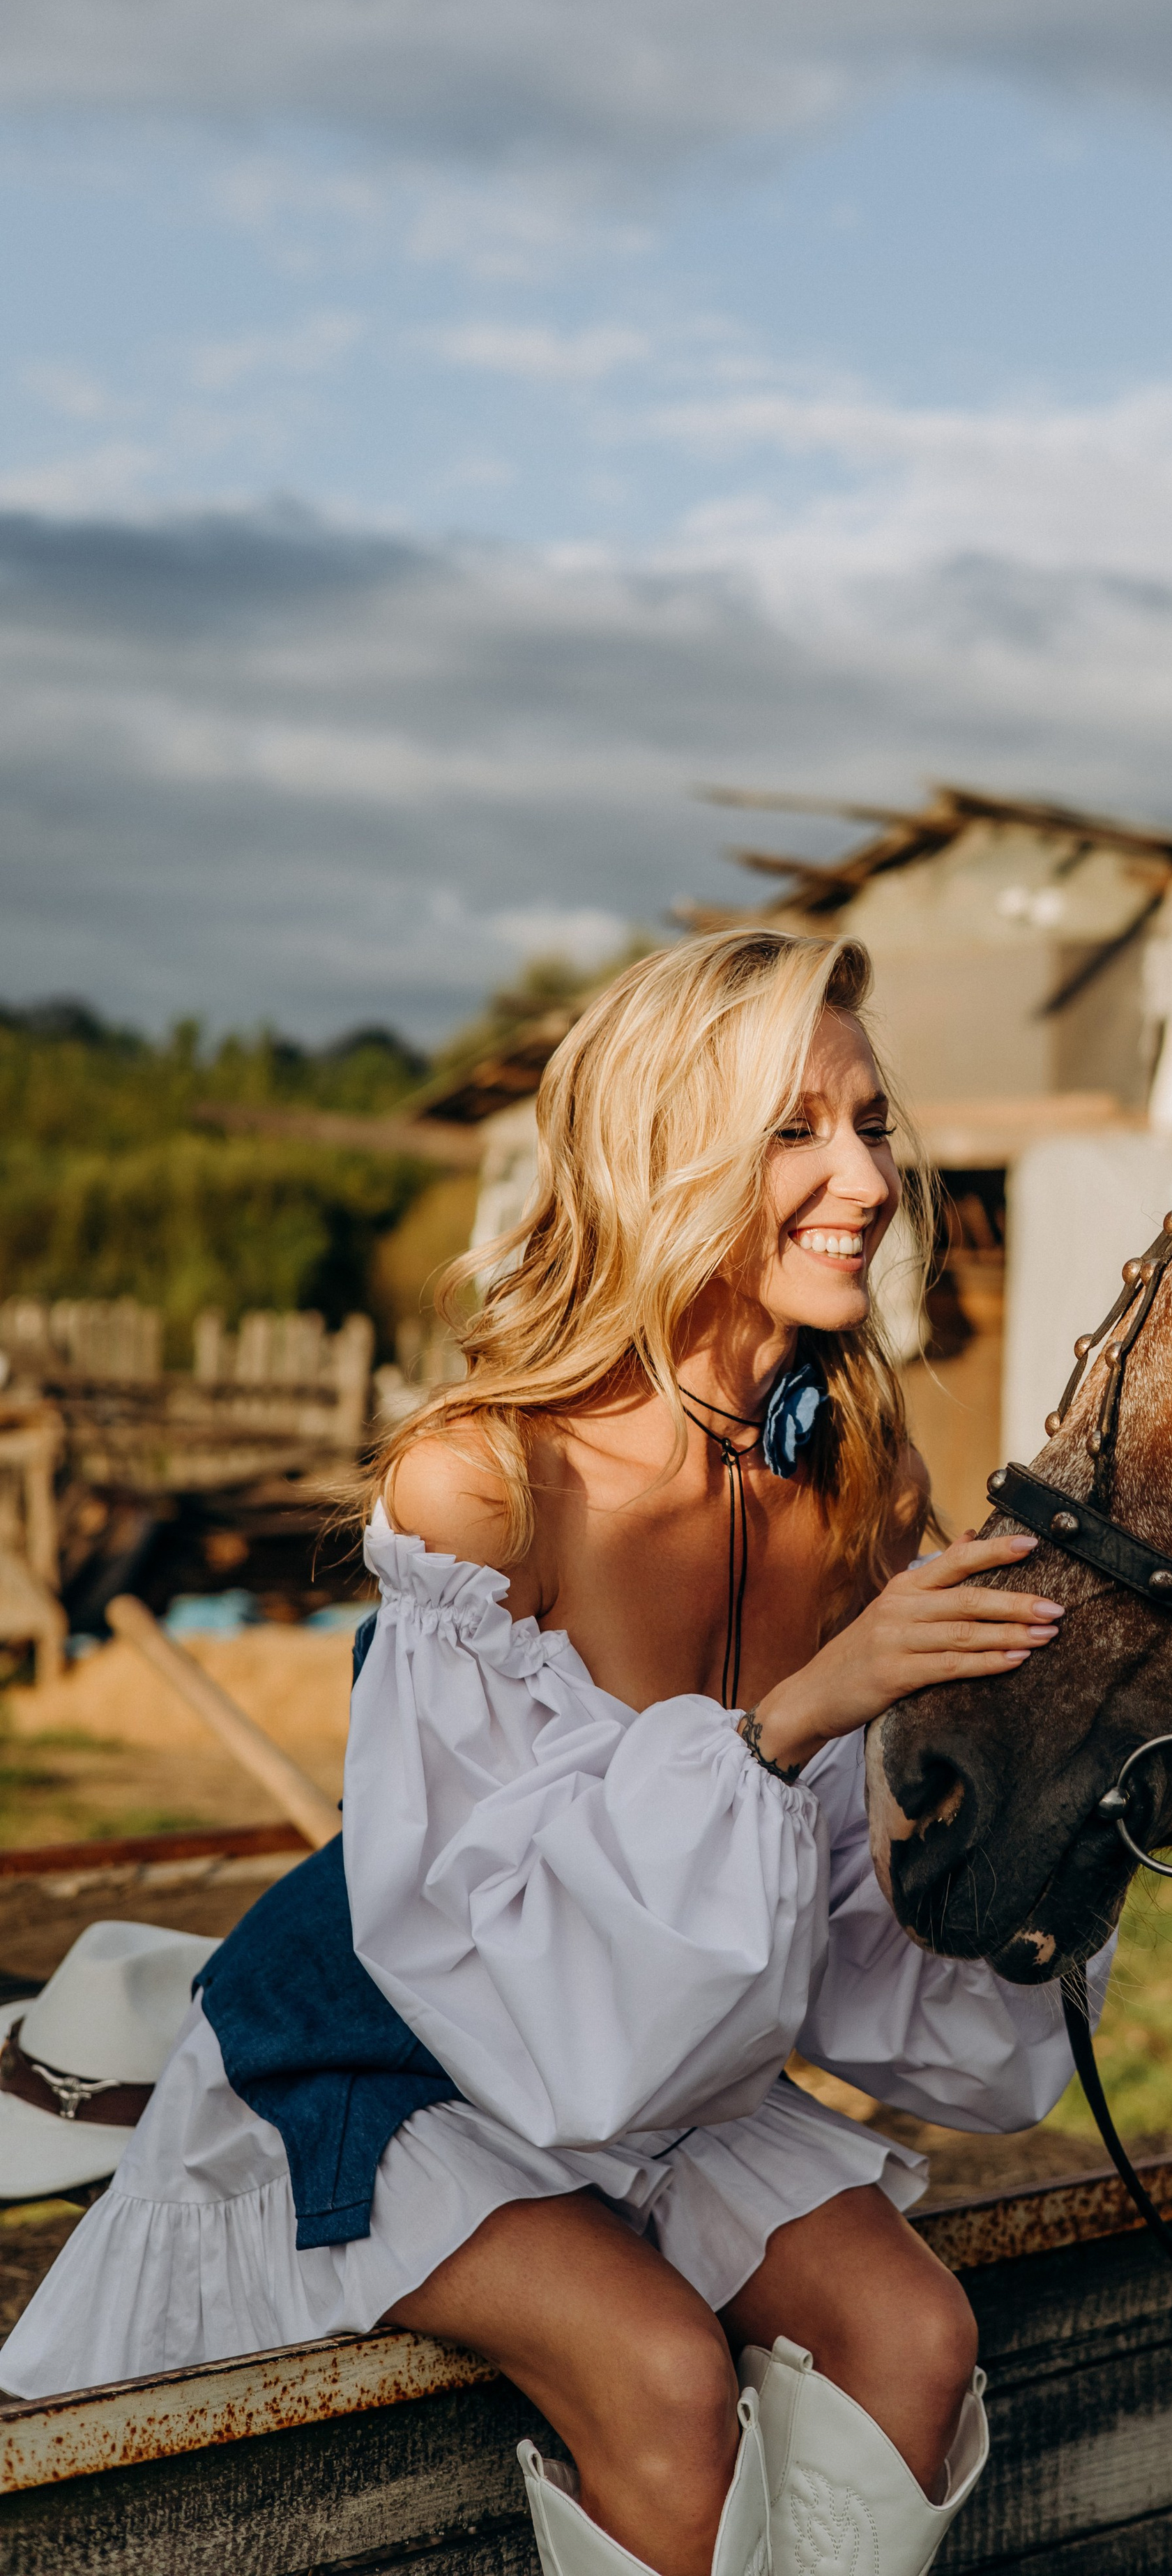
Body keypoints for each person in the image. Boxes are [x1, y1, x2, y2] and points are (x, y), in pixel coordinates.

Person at [1, 931, 1111, 2576]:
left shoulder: (860, 1476)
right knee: (658, 2374)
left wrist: (1058, 1796)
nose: (862, 1179)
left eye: (871, 1123)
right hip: (407, 2048)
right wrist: (807, 1709)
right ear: (664, 1153)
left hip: (651, 2058)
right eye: (794, 1129)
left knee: (911, 2334)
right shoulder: (492, 1480)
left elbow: (846, 1935)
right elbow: (472, 1944)